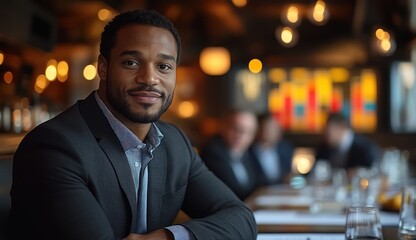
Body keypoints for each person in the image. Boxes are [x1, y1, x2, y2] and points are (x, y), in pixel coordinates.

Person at [9, 10, 257, 240]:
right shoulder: (54, 148)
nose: (149, 78)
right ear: (103, 68)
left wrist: (166, 237)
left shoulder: (175, 143)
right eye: (131, 63)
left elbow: (242, 219)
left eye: (163, 66)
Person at [200, 110, 260, 200]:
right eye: (236, 128)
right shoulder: (212, 154)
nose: (241, 135)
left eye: (248, 131)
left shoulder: (248, 154)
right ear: (223, 127)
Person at [249, 114, 294, 185]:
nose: (270, 131)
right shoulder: (248, 151)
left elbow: (288, 173)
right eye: (267, 127)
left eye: (274, 128)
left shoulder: (285, 149)